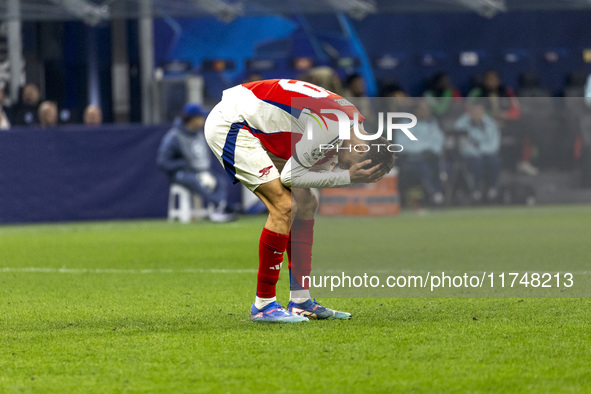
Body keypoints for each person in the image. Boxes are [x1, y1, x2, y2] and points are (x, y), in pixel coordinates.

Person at [204, 79, 394, 323]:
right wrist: (347, 177)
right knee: (284, 206)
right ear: (359, 148)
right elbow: (291, 176)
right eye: (348, 164)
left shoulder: (347, 125)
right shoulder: (334, 124)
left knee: (306, 204)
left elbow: (308, 169)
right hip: (232, 122)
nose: (341, 165)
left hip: (257, 124)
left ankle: (301, 301)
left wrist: (346, 173)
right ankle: (264, 305)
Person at [157, 103, 233, 222]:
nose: (203, 120)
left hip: (200, 171)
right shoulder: (173, 137)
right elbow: (162, 162)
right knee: (194, 180)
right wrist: (183, 164)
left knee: (220, 181)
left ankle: (218, 209)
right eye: (200, 117)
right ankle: (220, 205)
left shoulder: (199, 134)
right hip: (180, 173)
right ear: (192, 119)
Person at [399, 100, 445, 205]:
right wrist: (422, 149)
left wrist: (432, 150)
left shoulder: (432, 123)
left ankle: (438, 194)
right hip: (410, 159)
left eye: (427, 109)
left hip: (430, 157)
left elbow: (439, 141)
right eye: (423, 109)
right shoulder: (405, 124)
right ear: (416, 111)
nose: (426, 112)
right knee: (424, 168)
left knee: (439, 165)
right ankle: (434, 194)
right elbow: (401, 144)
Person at [454, 101, 502, 202]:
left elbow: (494, 145)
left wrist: (479, 148)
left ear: (483, 113)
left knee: (495, 161)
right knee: (476, 162)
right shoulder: (463, 124)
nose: (476, 114)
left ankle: (492, 188)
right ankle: (475, 190)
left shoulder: (491, 124)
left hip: (487, 154)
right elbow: (463, 144)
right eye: (474, 111)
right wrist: (477, 151)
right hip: (471, 156)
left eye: (479, 112)